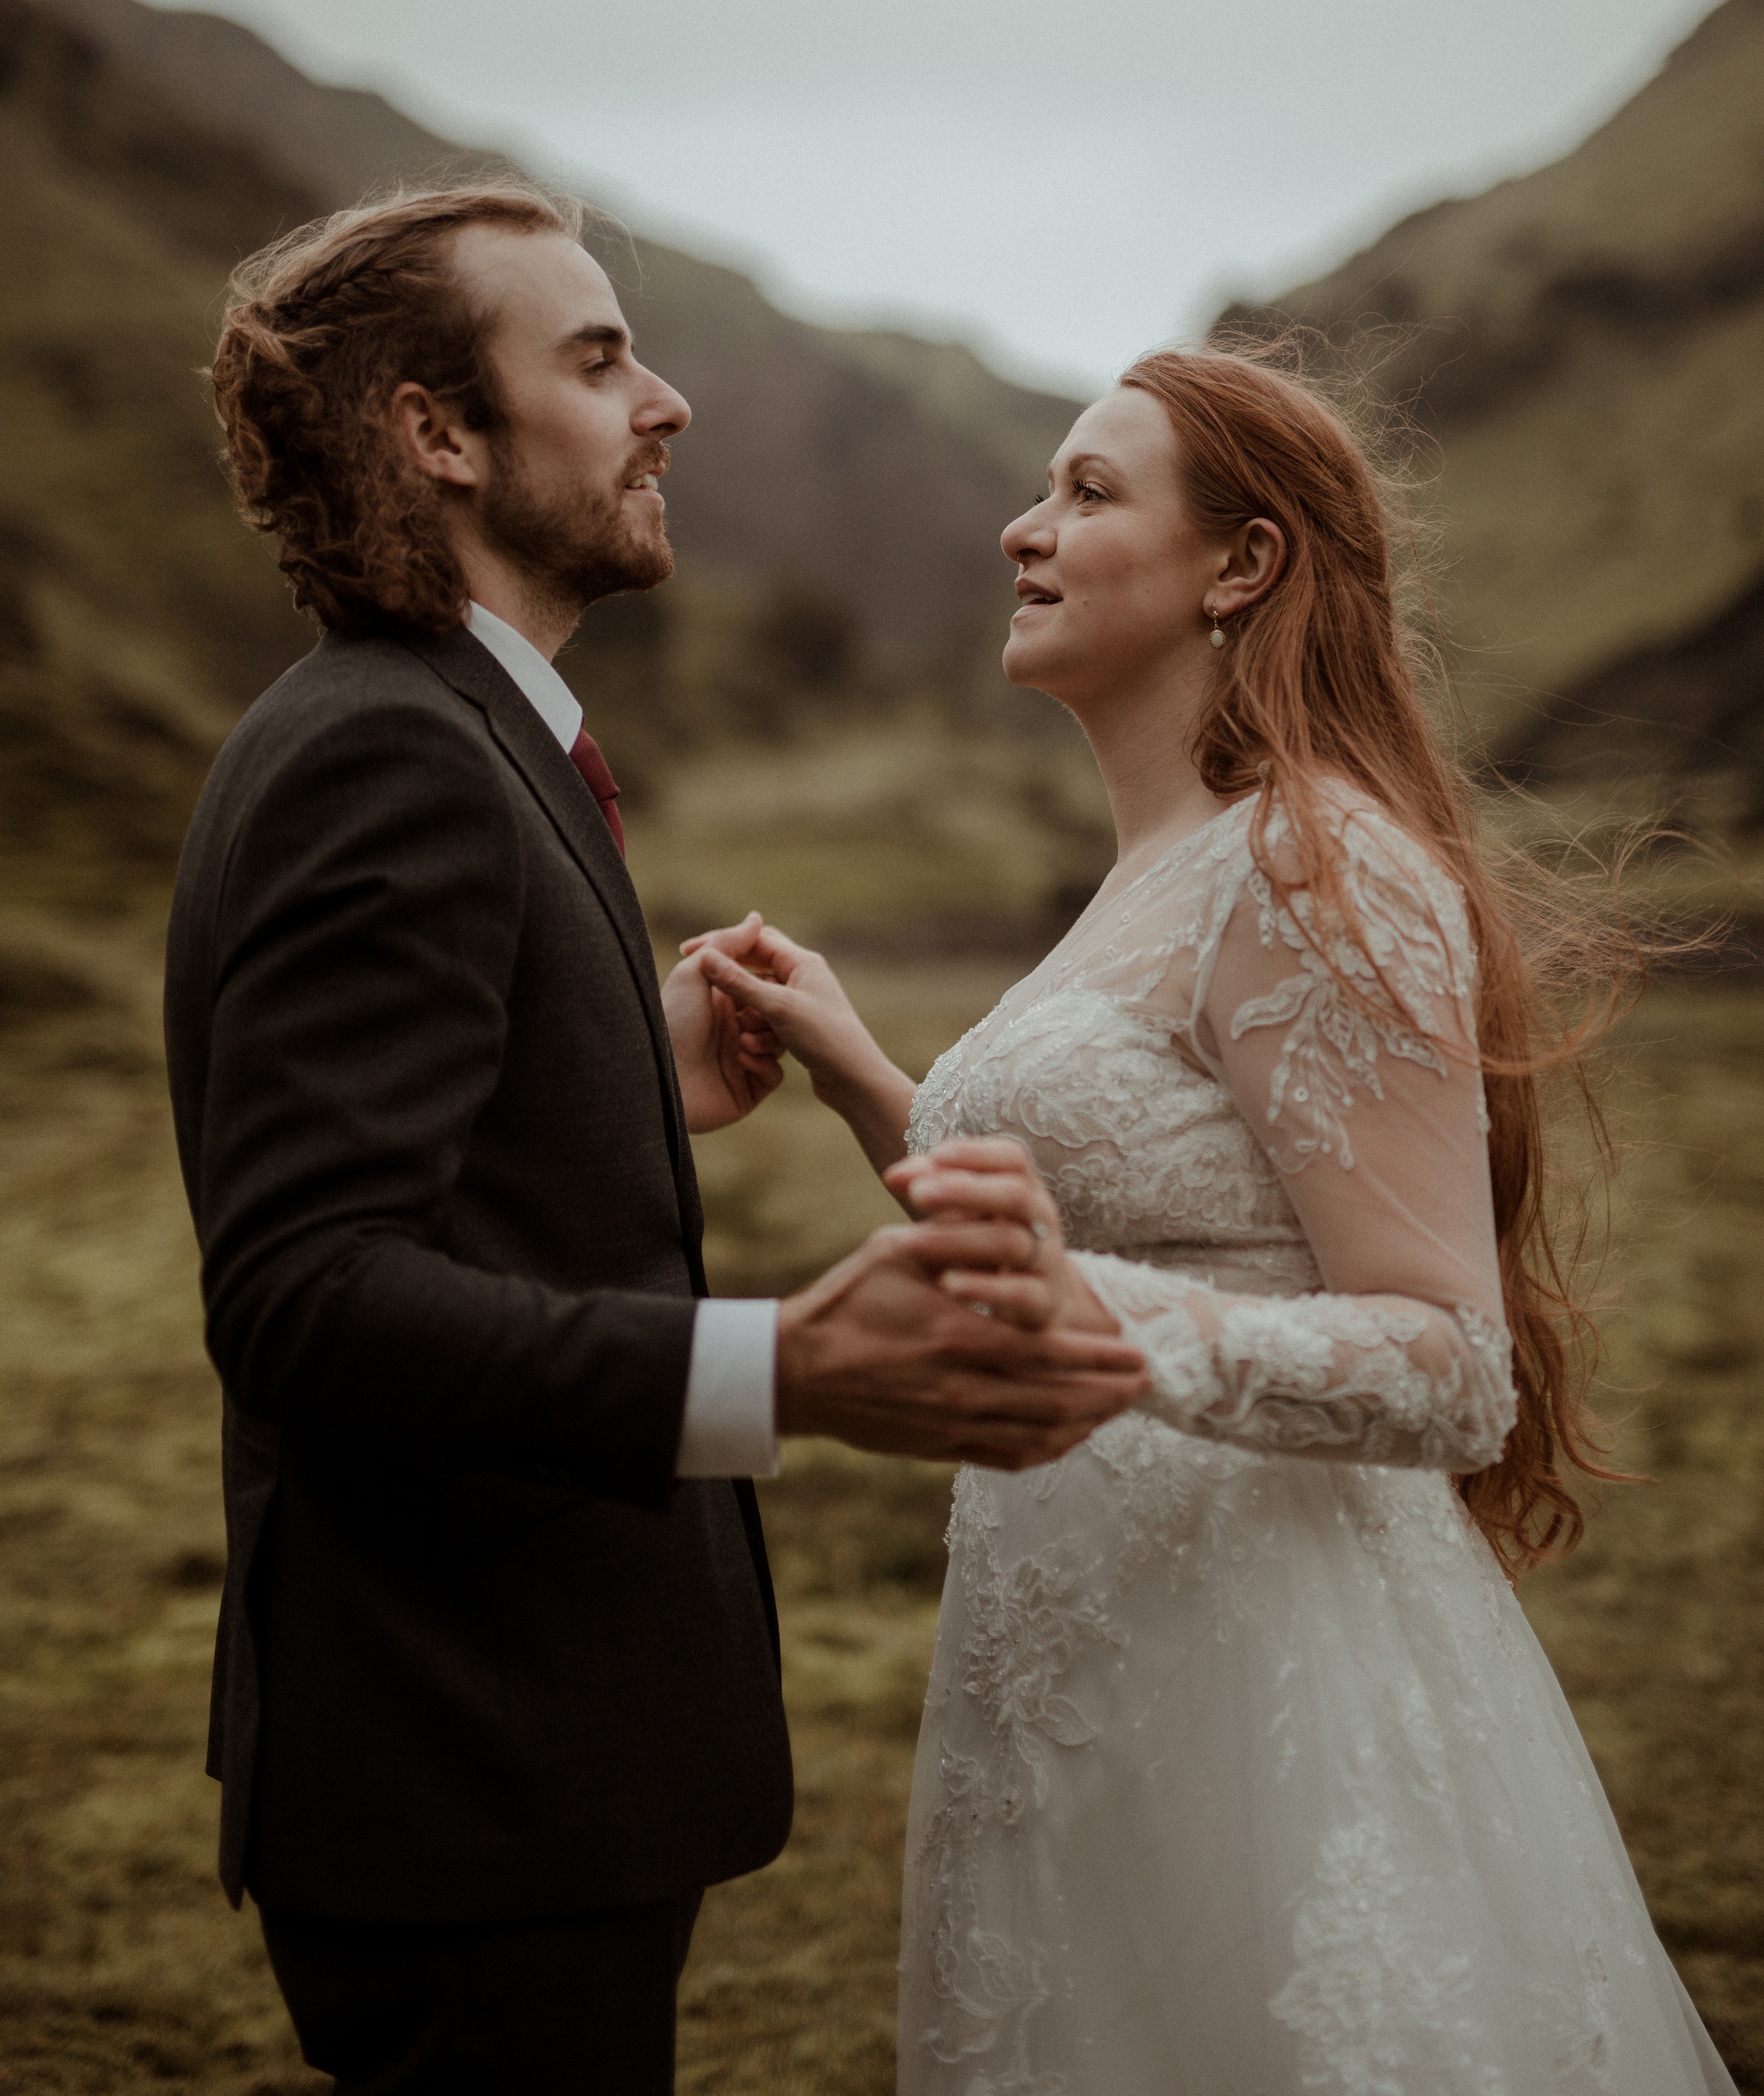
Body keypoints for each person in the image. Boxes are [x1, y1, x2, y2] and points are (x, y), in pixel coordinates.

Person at [163, 181, 1147, 2095]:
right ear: (437, 436)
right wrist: (777, 1367)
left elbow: (427, 1183)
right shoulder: (390, 755)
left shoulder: (461, 732)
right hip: (467, 1770)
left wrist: (619, 1063)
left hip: (524, 1759)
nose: (666, 401)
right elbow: (299, 1298)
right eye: (599, 358)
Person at [694, 347, 1739, 2094]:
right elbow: (1123, 1218)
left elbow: (1446, 1362)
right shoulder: (1147, 870)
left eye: (1087, 493)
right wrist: (867, 1075)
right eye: (1041, 492)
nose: (1022, 531)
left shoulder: (1315, 861)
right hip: (1067, 1661)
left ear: (1239, 566)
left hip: (1262, 1685)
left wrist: (1099, 1327)